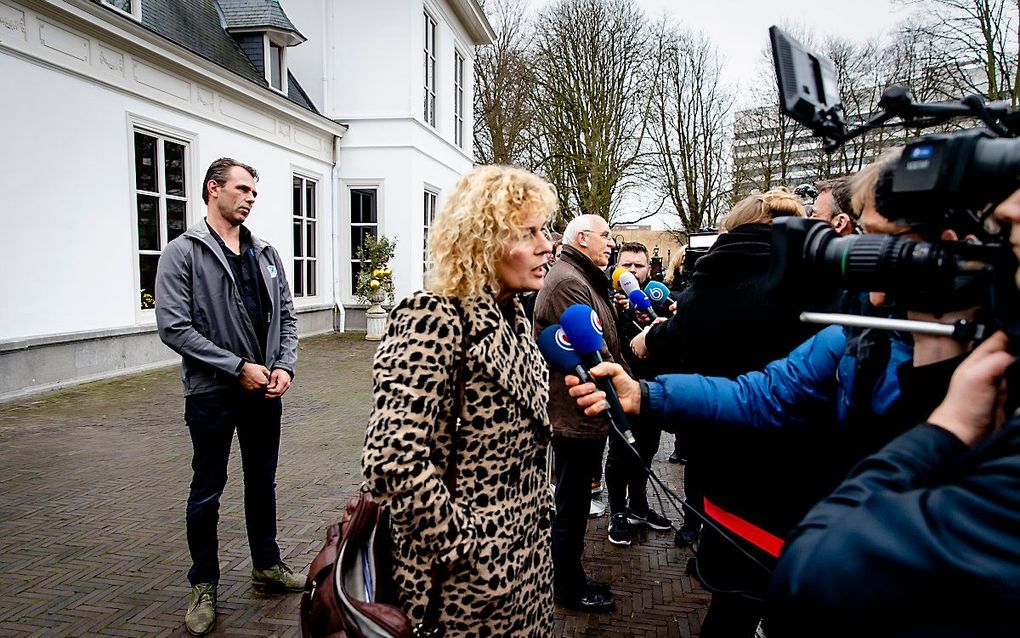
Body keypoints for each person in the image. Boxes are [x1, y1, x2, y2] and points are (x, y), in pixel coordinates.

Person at [765, 187, 1020, 637]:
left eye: (880, 239)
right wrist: (650, 395)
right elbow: (763, 392)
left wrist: (946, 429)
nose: (857, 256)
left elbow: (818, 566)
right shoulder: (860, 338)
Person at [361, 165, 557, 637]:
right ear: (483, 241)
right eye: (528, 232)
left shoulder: (514, 320)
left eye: (544, 230)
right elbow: (391, 459)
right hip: (463, 591)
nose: (546, 245)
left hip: (528, 570)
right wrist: (463, 547)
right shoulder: (433, 317)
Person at [155, 157, 301, 637]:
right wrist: (236, 367)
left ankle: (267, 565)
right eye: (241, 189)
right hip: (212, 394)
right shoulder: (183, 252)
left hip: (265, 391)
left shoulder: (267, 254)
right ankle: (204, 585)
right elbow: (174, 328)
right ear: (212, 190)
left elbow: (288, 318)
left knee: (263, 483)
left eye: (254, 192)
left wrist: (284, 367)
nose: (250, 197)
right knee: (207, 490)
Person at [533, 213, 623, 613]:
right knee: (570, 505)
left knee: (575, 502)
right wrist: (622, 389)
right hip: (575, 411)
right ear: (582, 238)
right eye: (605, 235)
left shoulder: (580, 274)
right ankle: (566, 585)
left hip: (584, 409)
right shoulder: (570, 280)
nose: (611, 242)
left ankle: (573, 574)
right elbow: (594, 351)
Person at [605, 242, 673, 545]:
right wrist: (617, 313)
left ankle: (639, 505)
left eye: (639, 266)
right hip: (620, 387)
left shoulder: (659, 301)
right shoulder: (607, 300)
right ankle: (617, 512)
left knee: (647, 449)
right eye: (627, 265)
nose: (632, 271)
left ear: (648, 270)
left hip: (653, 388)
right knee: (620, 451)